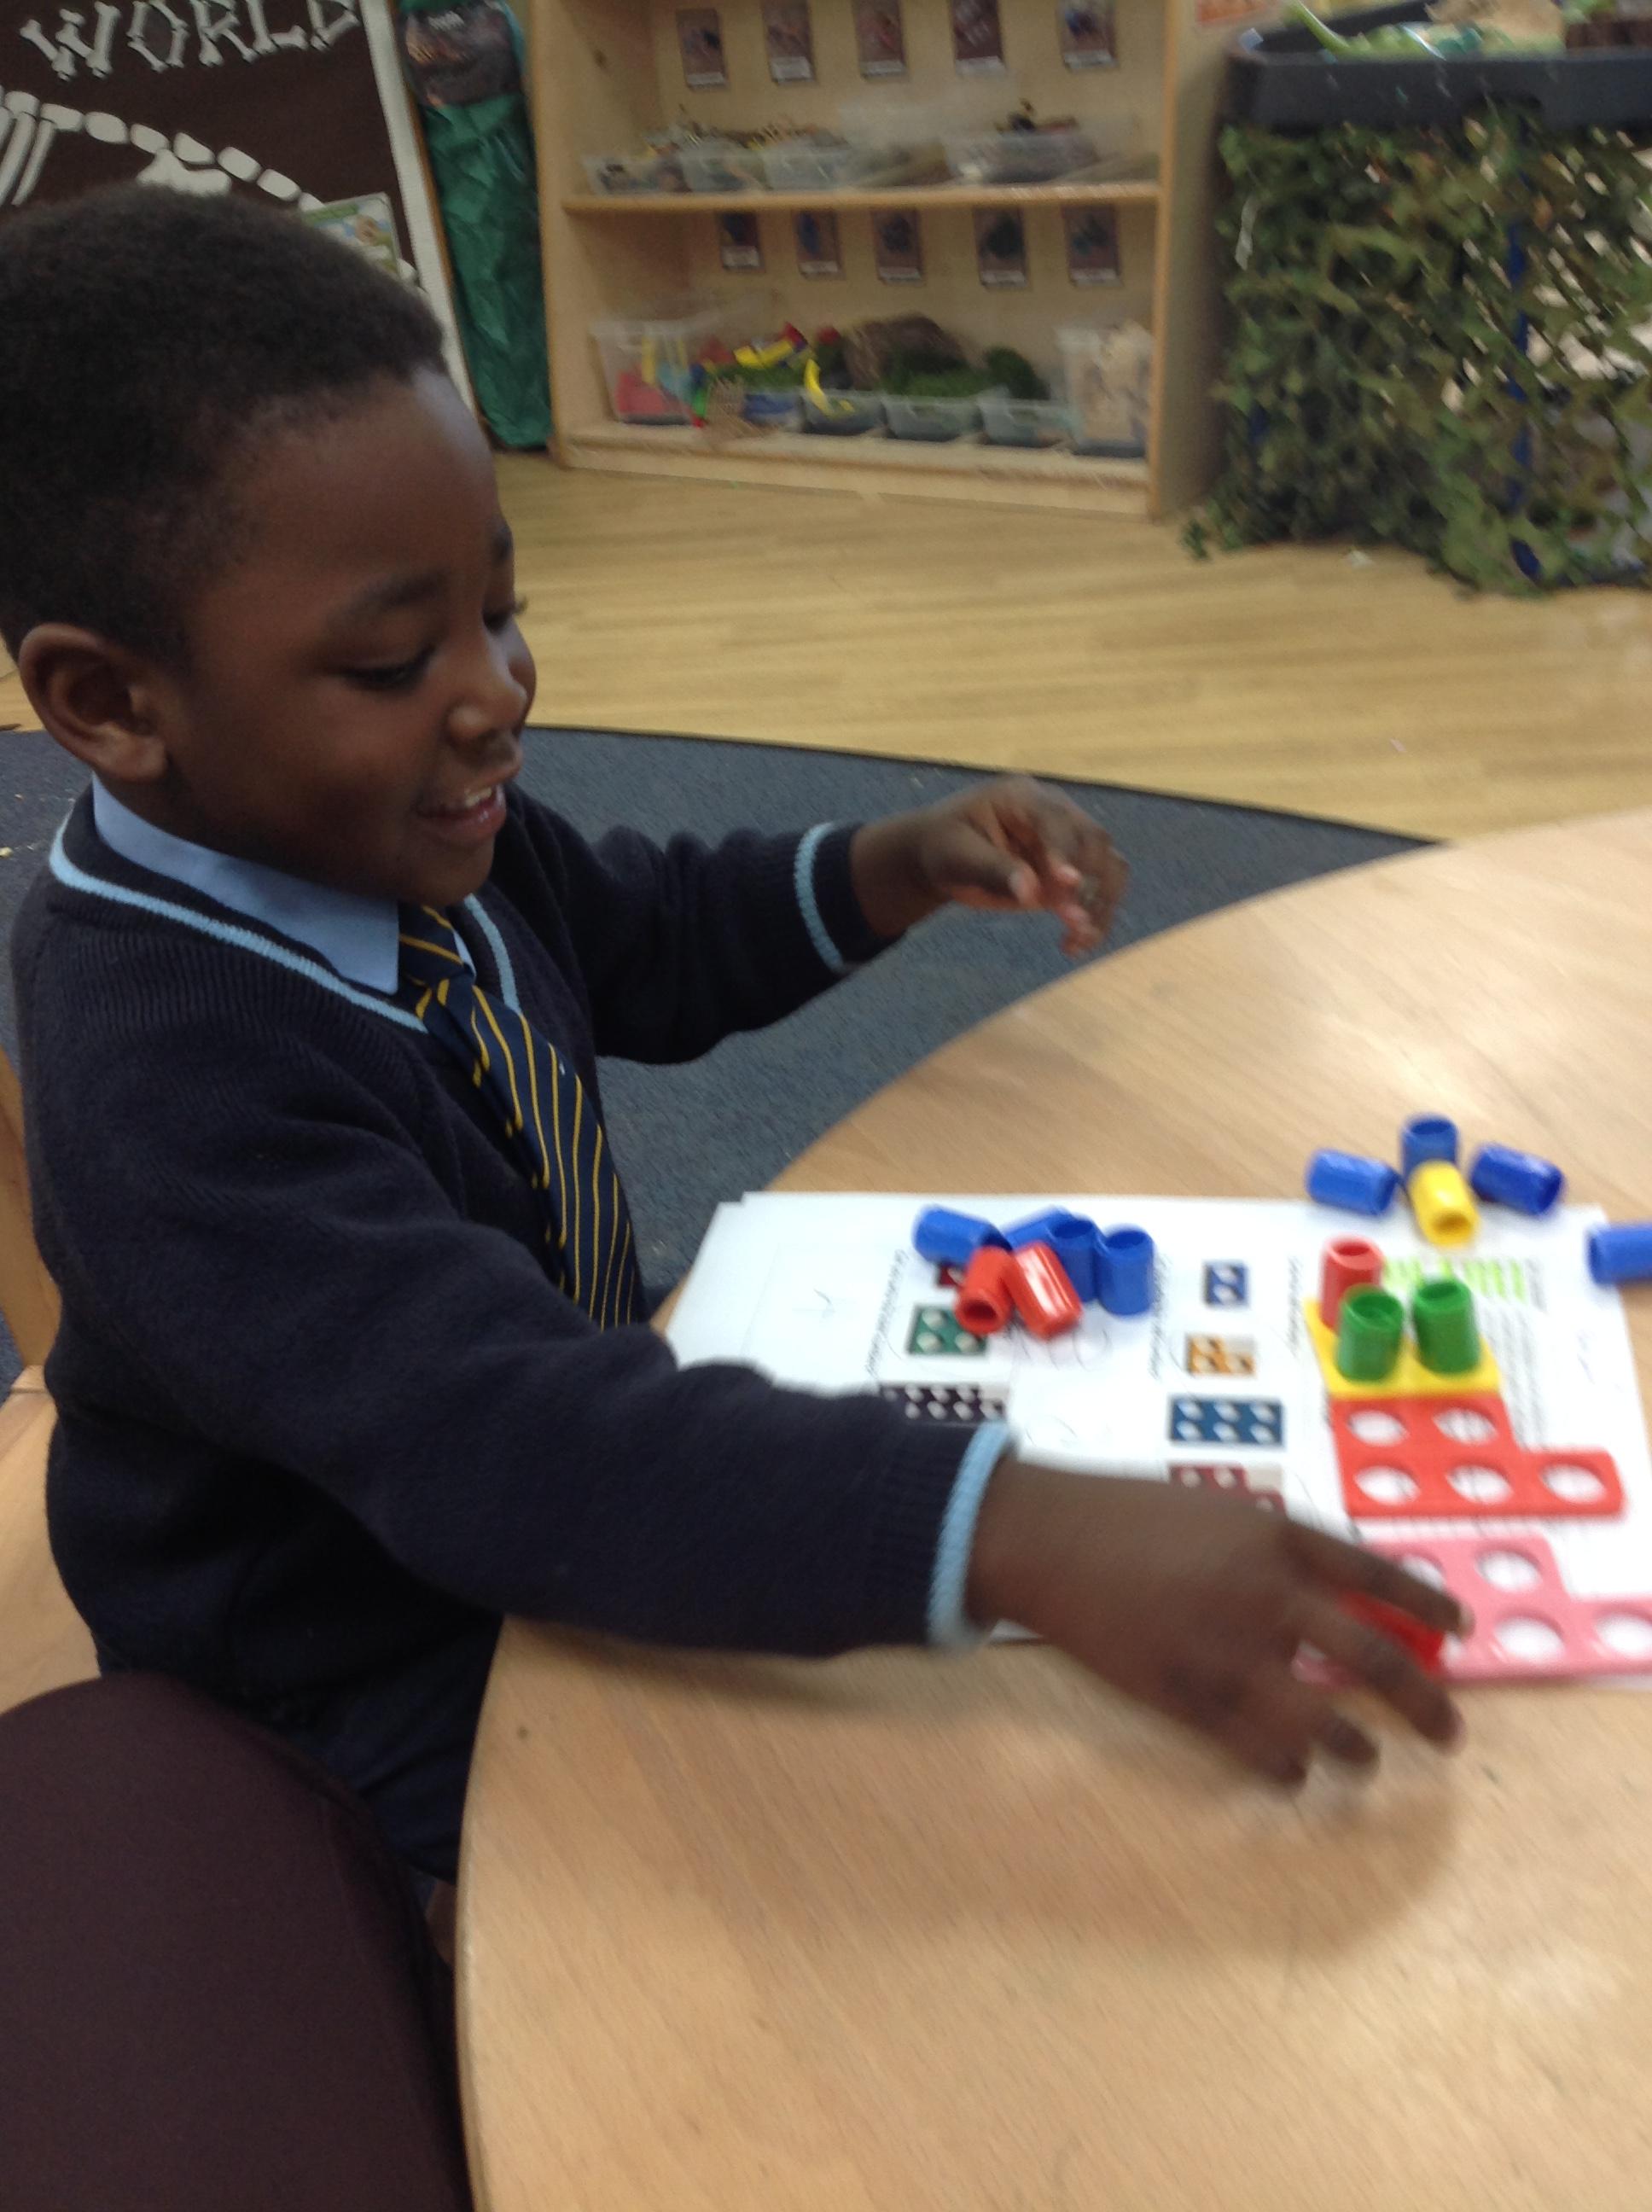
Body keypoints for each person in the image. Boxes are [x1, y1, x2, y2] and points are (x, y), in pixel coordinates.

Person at [2, 188, 1465, 1888]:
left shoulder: (400, 825)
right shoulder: (162, 1073)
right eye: (396, 659)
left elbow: (656, 934)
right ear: (110, 704)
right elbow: (504, 1443)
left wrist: (890, 866)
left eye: (500, 609)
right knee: (875, 1836)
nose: (496, 691)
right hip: (345, 1672)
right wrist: (1010, 1526)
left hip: (547, 1452)